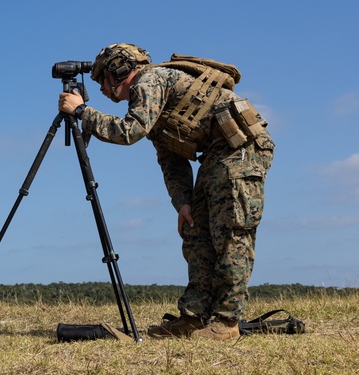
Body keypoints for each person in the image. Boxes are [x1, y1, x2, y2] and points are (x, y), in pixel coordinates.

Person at [58, 44, 275, 340]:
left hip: (240, 151)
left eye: (101, 80)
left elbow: (128, 132)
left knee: (231, 236)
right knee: (197, 235)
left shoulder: (150, 81)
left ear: (118, 71)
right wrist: (183, 202)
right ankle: (195, 317)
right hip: (216, 154)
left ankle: (226, 322)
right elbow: (170, 158)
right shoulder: (152, 99)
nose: (101, 89)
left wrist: (82, 111)